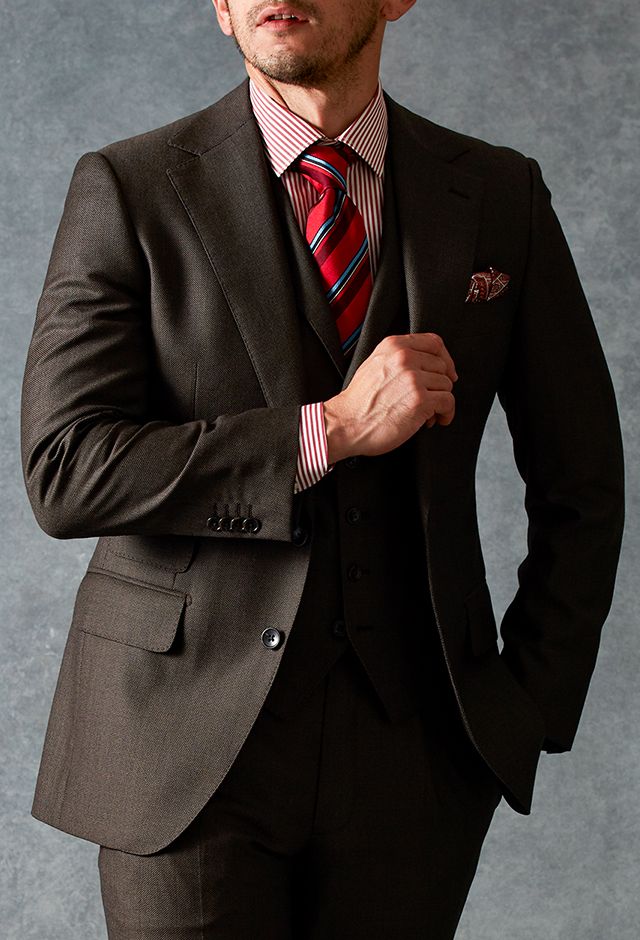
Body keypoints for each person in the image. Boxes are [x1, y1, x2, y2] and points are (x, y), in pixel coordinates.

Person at [20, 0, 625, 936]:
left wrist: (525, 703)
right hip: (181, 748)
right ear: (221, 8)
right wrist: (327, 431)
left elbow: (582, 479)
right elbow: (67, 469)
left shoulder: (500, 194)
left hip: (416, 755)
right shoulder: (130, 187)